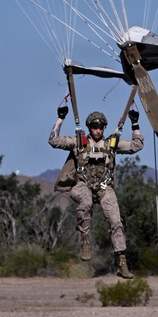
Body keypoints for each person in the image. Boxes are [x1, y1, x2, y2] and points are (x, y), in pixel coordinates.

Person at [49, 104, 143, 276]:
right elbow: (54, 141)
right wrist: (60, 119)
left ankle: (121, 261)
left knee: (116, 221)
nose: (97, 131)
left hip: (104, 187)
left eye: (100, 128)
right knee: (85, 202)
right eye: (94, 127)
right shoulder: (79, 142)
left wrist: (135, 124)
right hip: (82, 185)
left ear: (104, 128)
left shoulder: (111, 144)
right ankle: (84, 240)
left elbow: (136, 145)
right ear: (89, 128)